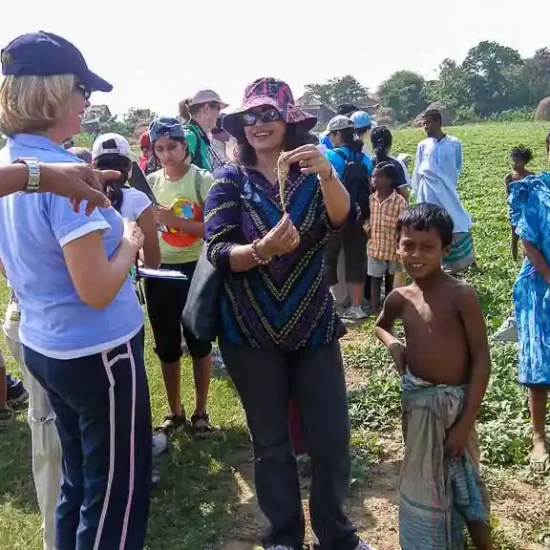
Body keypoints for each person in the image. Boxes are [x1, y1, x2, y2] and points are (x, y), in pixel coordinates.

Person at [206, 76, 373, 550]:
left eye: (269, 115)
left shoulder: (310, 173)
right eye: (251, 117)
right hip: (250, 331)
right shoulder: (229, 179)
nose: (259, 124)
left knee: (332, 440)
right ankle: (283, 536)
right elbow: (217, 250)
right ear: (241, 127)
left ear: (288, 122)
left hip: (313, 324)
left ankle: (336, 534)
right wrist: (259, 249)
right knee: (271, 443)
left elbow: (343, 219)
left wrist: (328, 173)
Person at [0, 31, 152, 549]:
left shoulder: (17, 163)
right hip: (99, 353)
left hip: (48, 344)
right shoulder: (56, 176)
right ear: (56, 94)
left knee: (78, 484)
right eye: (83, 90)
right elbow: (96, 289)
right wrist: (130, 241)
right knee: (115, 497)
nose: (88, 102)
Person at [375, 203, 492, 550]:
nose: (416, 255)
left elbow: (482, 361)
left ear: (446, 248)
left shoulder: (461, 296)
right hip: (419, 409)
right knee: (426, 483)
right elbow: (380, 326)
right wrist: (395, 345)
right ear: (397, 245)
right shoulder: (400, 297)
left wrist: (464, 422)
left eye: (427, 247)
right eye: (408, 245)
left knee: (464, 484)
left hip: (456, 412)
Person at [144, 116, 215, 437]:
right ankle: (175, 411)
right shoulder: (151, 182)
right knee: (166, 345)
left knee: (200, 343)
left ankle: (201, 410)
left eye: (172, 146)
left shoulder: (202, 179)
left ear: (185, 146)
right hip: (159, 271)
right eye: (159, 148)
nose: (166, 154)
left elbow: (214, 228)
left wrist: (176, 221)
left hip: (195, 269)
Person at [509, 133, 550, 472]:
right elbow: (527, 240)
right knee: (539, 359)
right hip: (540, 284)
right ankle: (538, 436)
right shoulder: (536, 191)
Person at [412, 109, 475, 274]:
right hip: (429, 192)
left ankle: (464, 261)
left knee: (457, 220)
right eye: (423, 123)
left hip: (448, 191)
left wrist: (447, 184)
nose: (425, 126)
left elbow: (457, 167)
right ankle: (437, 264)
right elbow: (418, 170)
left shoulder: (454, 143)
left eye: (428, 122)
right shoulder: (423, 145)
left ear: (438, 122)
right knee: (432, 225)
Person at [324, 115, 373, 320]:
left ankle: (338, 301)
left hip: (335, 215)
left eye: (332, 135)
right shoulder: (365, 159)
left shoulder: (330, 157)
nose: (330, 139)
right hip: (359, 215)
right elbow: (370, 187)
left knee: (332, 259)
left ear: (337, 135)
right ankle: (358, 305)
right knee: (356, 260)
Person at [365, 162, 408, 313]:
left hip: (393, 249)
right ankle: (376, 309)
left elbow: (404, 225)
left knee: (391, 279)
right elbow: (365, 218)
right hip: (375, 247)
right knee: (375, 279)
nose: (374, 180)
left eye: (379, 176)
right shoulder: (371, 200)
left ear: (390, 180)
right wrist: (367, 228)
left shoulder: (399, 202)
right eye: (373, 176)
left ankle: (388, 308)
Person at [179, 89, 228, 172]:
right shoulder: (189, 135)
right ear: (207, 108)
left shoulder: (198, 135)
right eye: (218, 109)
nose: (218, 114)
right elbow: (177, 177)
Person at [505, 145, 534, 262]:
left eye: (518, 160)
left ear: (525, 161)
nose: (514, 163)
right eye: (513, 160)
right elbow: (507, 195)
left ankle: (526, 257)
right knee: (514, 235)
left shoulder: (531, 176)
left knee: (526, 236)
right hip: (515, 210)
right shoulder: (509, 177)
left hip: (527, 209)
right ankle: (514, 259)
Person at [370, 125, 411, 200]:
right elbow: (404, 194)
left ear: (372, 145)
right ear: (390, 145)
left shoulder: (367, 162)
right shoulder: (396, 165)